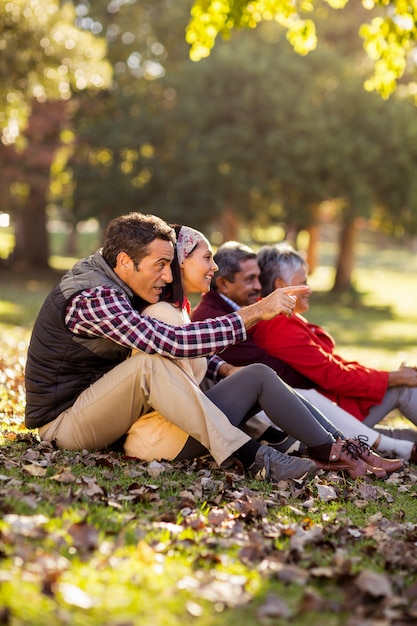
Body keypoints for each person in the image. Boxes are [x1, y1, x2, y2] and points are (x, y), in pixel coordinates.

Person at [25, 212, 317, 485]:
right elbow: (172, 341)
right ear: (126, 261)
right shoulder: (95, 297)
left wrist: (223, 367)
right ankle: (250, 455)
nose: (167, 277)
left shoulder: (122, 280)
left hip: (100, 406)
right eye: (160, 266)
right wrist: (254, 312)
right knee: (149, 365)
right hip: (64, 425)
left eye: (169, 265)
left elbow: (173, 339)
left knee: (163, 363)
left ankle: (292, 442)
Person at [123, 224, 402, 479]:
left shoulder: (179, 313)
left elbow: (197, 360)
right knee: (259, 376)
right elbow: (179, 397)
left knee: (257, 377)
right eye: (207, 258)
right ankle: (338, 452)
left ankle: (344, 448)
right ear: (181, 262)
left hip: (186, 429)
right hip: (166, 437)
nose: (214, 266)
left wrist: (227, 372)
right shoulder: (161, 314)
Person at [191, 240, 416, 463]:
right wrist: (395, 377)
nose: (258, 286)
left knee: (396, 428)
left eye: (258, 278)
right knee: (401, 399)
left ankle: (396, 446)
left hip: (315, 403)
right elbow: (324, 374)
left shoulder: (250, 312)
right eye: (250, 279)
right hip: (309, 405)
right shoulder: (263, 321)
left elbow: (330, 365)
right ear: (223, 284)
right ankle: (395, 448)